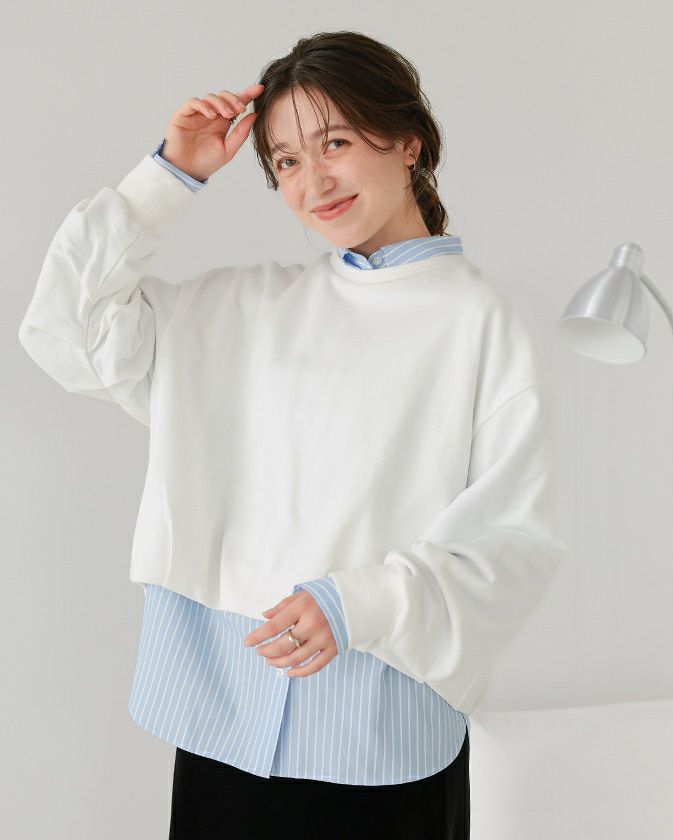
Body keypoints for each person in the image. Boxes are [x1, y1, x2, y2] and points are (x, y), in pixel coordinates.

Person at [18, 30, 567, 840]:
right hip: (223, 724)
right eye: (285, 161)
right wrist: (171, 175)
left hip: (377, 737)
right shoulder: (240, 310)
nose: (314, 180)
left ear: (408, 141)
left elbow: (514, 540)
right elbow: (65, 328)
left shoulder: (482, 324)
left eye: (335, 143)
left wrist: (361, 601)